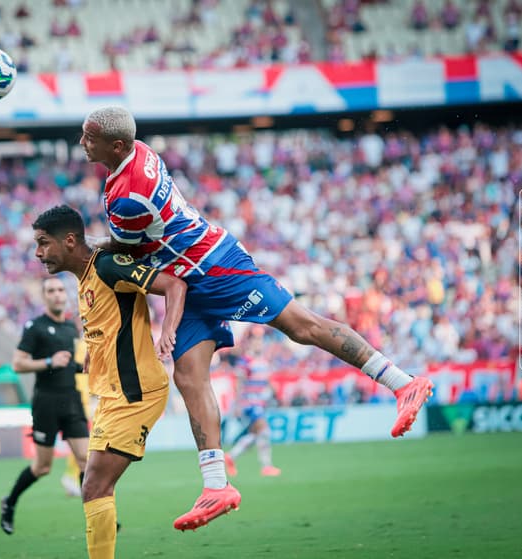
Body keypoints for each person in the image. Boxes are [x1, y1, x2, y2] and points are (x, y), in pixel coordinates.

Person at [79, 106, 434, 530]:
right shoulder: (137, 154)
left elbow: (126, 250)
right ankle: (217, 487)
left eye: (88, 137)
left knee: (304, 327)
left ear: (115, 145)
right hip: (190, 276)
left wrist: (83, 247)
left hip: (214, 266)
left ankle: (403, 383)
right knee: (189, 376)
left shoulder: (126, 197)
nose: (82, 142)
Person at [32, 205, 187, 559]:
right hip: (112, 394)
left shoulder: (107, 265)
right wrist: (94, 353)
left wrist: (169, 332)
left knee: (96, 486)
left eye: (43, 243)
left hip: (137, 393)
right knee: (93, 486)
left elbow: (174, 285)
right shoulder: (86, 277)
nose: (38, 253)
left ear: (69, 241)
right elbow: (109, 322)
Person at [0, 276, 89, 535]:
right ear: (44, 296)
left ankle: (97, 517)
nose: (57, 294)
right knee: (43, 467)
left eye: (60, 290)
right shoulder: (35, 327)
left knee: (86, 460)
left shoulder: (72, 328)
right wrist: (49, 361)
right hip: (46, 404)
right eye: (51, 291)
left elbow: (69, 364)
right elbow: (18, 364)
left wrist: (86, 368)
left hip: (71, 400)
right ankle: (10, 502)